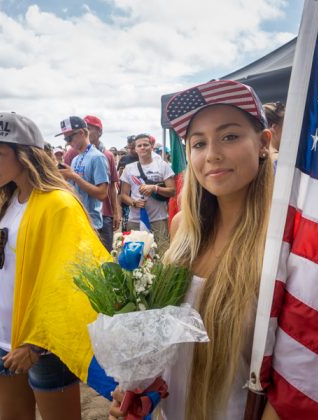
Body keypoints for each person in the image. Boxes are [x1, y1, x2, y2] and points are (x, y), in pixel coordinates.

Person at [110, 80, 274, 419]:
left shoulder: (283, 239)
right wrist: (140, 388)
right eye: (199, 142)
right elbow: (173, 347)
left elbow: (297, 378)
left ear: (263, 143)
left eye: (229, 136)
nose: (212, 153)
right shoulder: (182, 227)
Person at [0, 112, 109, 420]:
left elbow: (74, 281)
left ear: (26, 155)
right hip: (2, 339)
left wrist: (36, 345)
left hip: (43, 346)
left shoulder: (60, 205)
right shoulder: (8, 202)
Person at [120, 134, 175, 255]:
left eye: (146, 144)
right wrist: (134, 203)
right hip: (135, 220)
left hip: (158, 219)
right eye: (139, 145)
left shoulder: (162, 165)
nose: (143, 147)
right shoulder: (129, 168)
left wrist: (155, 188)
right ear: (135, 149)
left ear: (152, 147)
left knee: (161, 255)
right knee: (135, 257)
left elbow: (173, 190)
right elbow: (123, 195)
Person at [56, 116, 109, 233]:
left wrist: (74, 176)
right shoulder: (75, 159)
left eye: (69, 138)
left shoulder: (98, 157)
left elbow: (102, 194)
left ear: (81, 133)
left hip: (91, 225)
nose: (68, 143)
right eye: (65, 140)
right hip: (76, 222)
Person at [84, 115, 121, 251]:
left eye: (89, 128)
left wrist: (116, 213)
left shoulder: (108, 155)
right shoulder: (73, 154)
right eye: (84, 129)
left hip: (104, 214)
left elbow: (112, 186)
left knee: (105, 254)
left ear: (99, 132)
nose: (85, 132)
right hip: (83, 212)